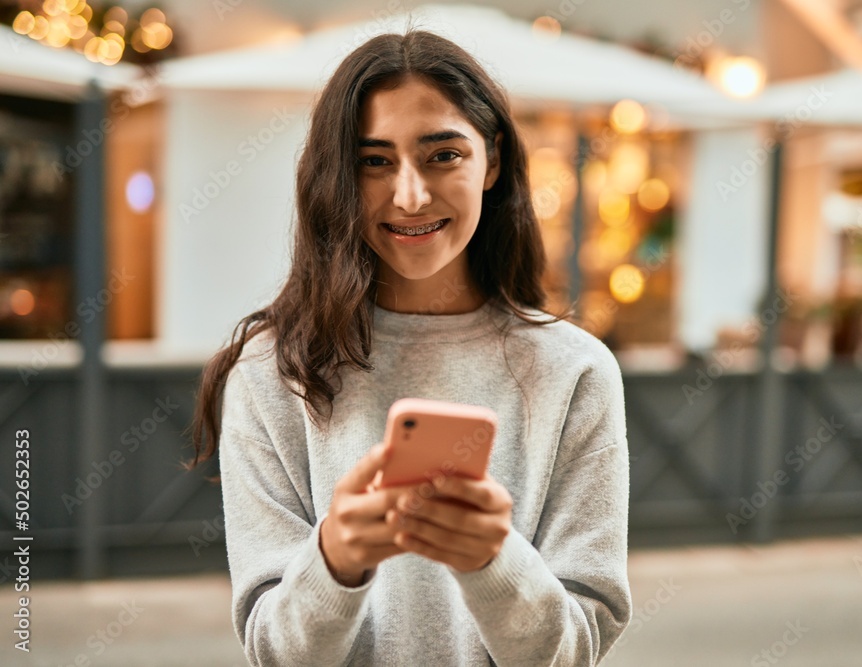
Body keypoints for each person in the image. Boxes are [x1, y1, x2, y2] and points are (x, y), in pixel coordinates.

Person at [189, 27, 632, 666]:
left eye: (442, 154)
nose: (410, 195)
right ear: (339, 174)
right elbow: (276, 654)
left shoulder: (577, 371)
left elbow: (572, 654)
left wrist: (493, 562)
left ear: (494, 159)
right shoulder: (271, 373)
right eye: (374, 161)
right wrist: (334, 561)